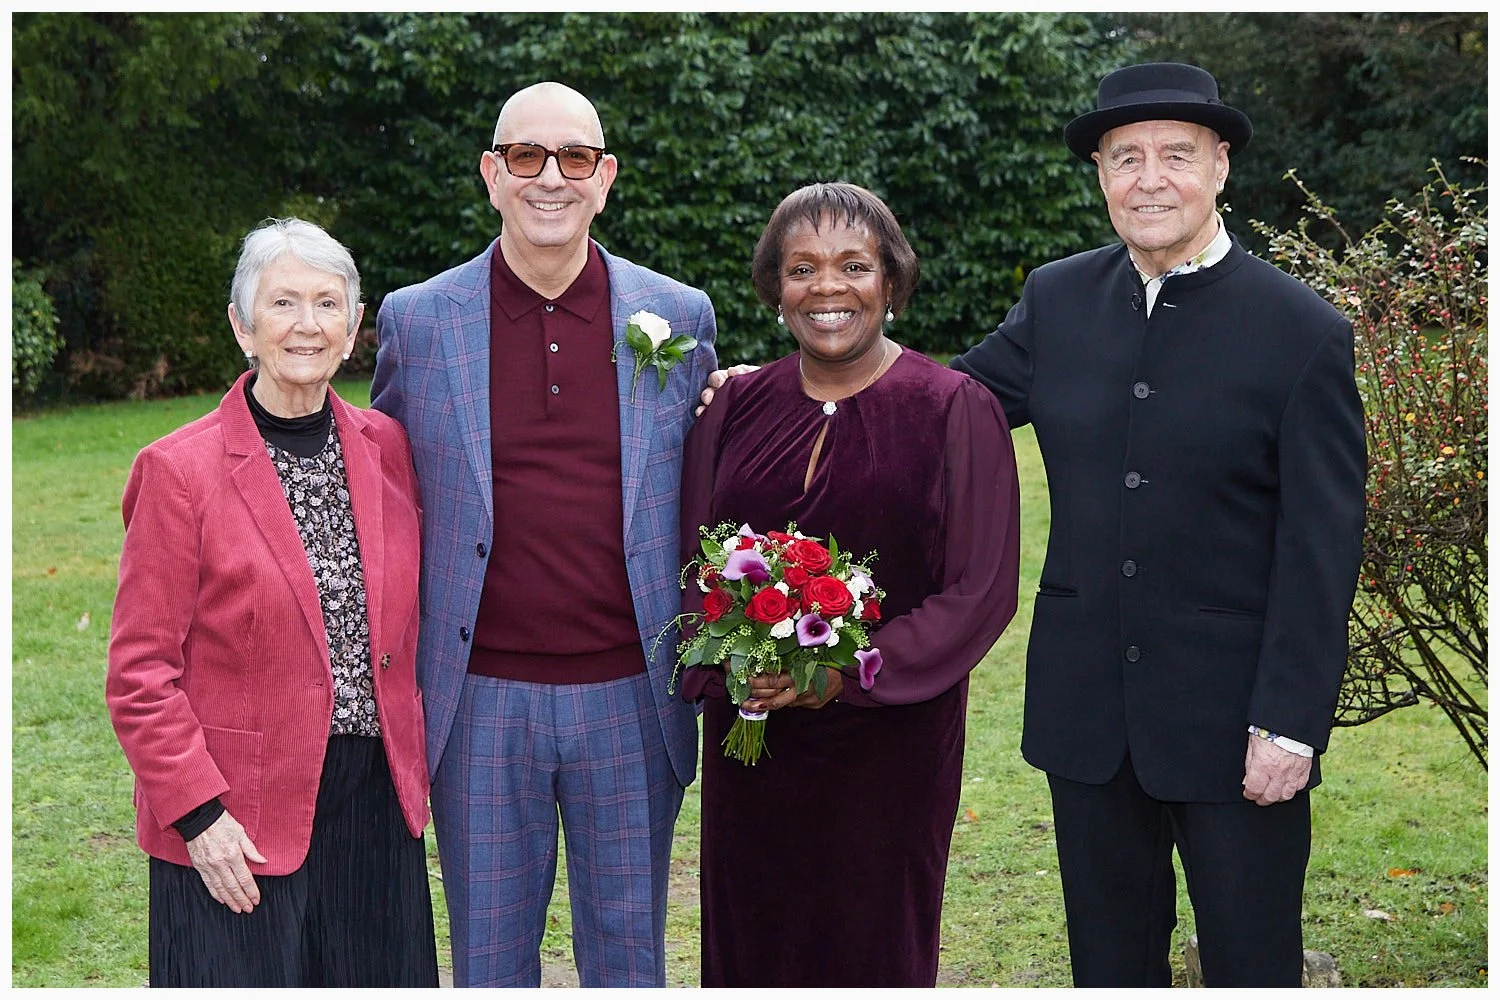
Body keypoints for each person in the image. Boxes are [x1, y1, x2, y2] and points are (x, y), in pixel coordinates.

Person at [949, 63, 1366, 986]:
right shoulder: (1056, 300)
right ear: (1100, 172)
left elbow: (1322, 544)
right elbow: (943, 407)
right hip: (1086, 713)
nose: (1149, 178)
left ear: (1220, 166)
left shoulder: (1303, 332)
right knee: (1108, 965)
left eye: (1176, 154)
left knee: (1251, 962)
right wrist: (783, 393)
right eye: (1125, 156)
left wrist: (1292, 723)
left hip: (1236, 727)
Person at [370, 81, 719, 988]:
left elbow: (717, 463)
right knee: (488, 961)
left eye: (573, 159)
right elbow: (381, 489)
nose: (549, 178)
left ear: (605, 178)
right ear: (492, 174)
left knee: (630, 959)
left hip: (632, 698)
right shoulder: (418, 320)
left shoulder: (677, 316)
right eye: (527, 157)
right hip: (480, 697)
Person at [678, 181, 1021, 987]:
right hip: (753, 744)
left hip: (888, 752)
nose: (826, 287)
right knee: (750, 939)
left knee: (872, 947)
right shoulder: (733, 407)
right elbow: (693, 563)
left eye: (853, 265)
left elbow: (979, 591)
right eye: (801, 269)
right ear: (775, 290)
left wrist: (840, 674)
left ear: (891, 283)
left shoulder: (952, 408)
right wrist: (737, 662)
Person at [105, 217, 437, 988]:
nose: (307, 325)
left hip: (375, 808)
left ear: (355, 327)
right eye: (283, 302)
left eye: (328, 304)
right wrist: (198, 816)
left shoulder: (388, 446)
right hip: (237, 820)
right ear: (242, 326)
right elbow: (140, 673)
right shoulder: (177, 471)